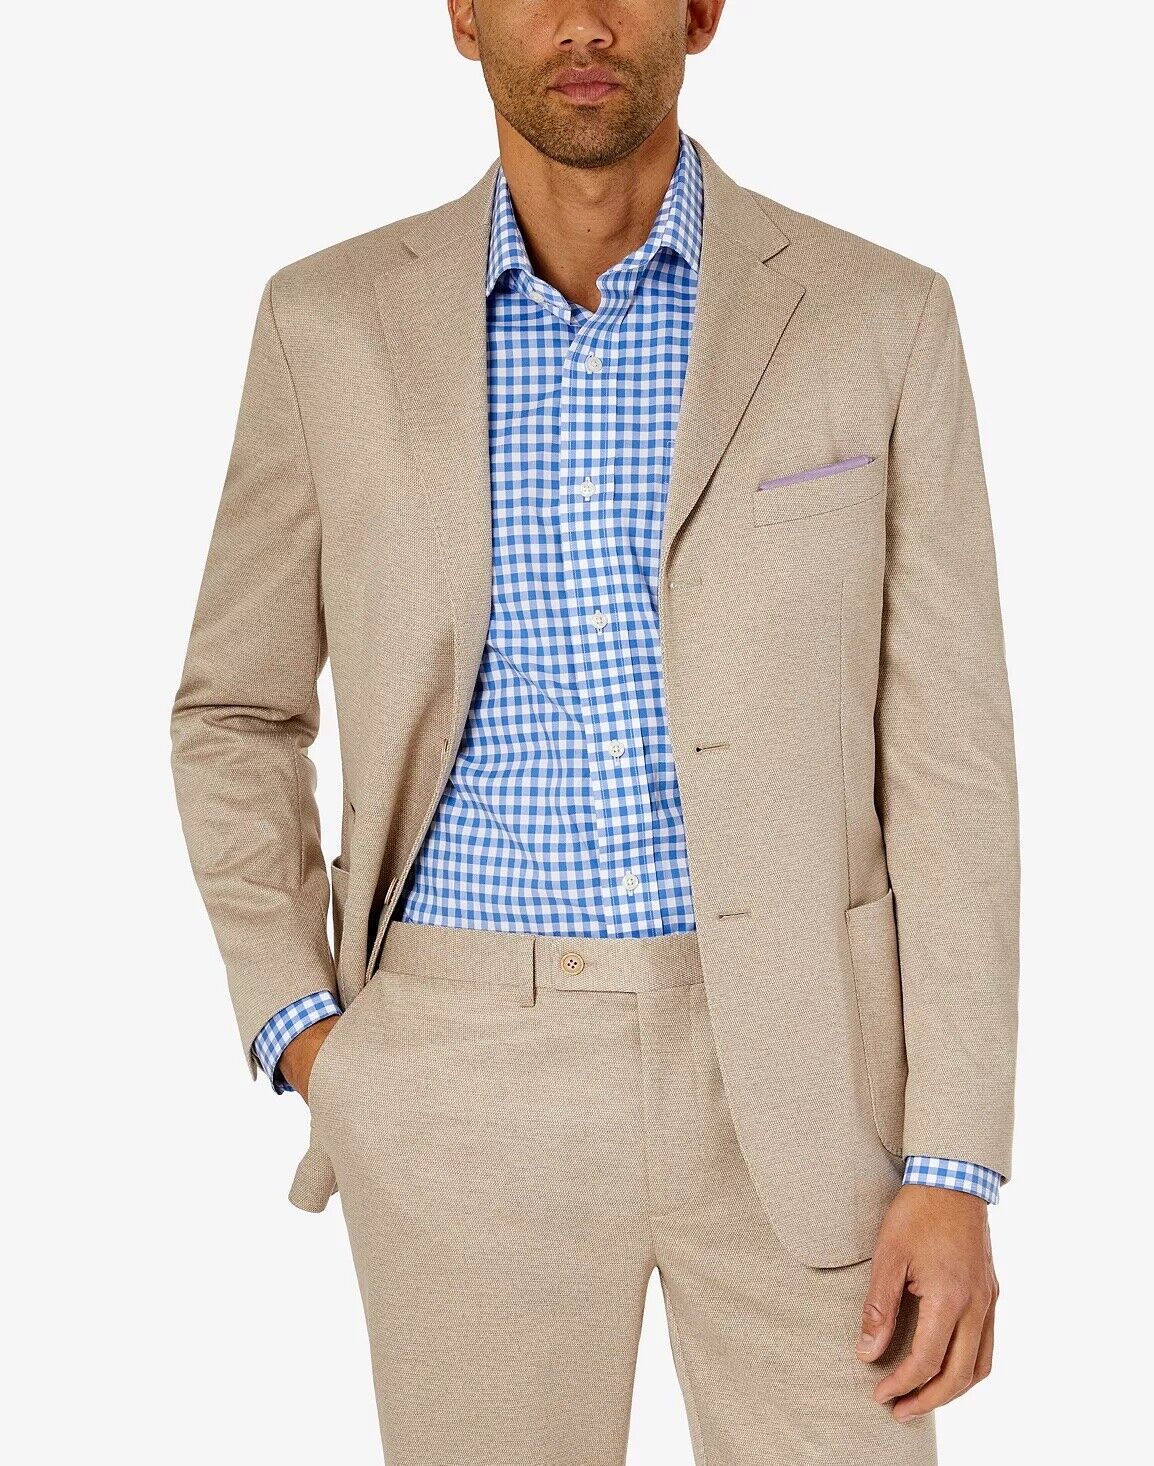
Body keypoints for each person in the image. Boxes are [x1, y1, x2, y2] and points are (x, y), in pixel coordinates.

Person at [170, 3, 1018, 1461]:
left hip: (813, 1081)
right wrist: (309, 1036)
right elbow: (233, 711)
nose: (579, 21)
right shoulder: (327, 325)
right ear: (462, 15)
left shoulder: (877, 317)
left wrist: (956, 1160)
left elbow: (951, 763)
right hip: (459, 1071)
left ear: (702, 9)